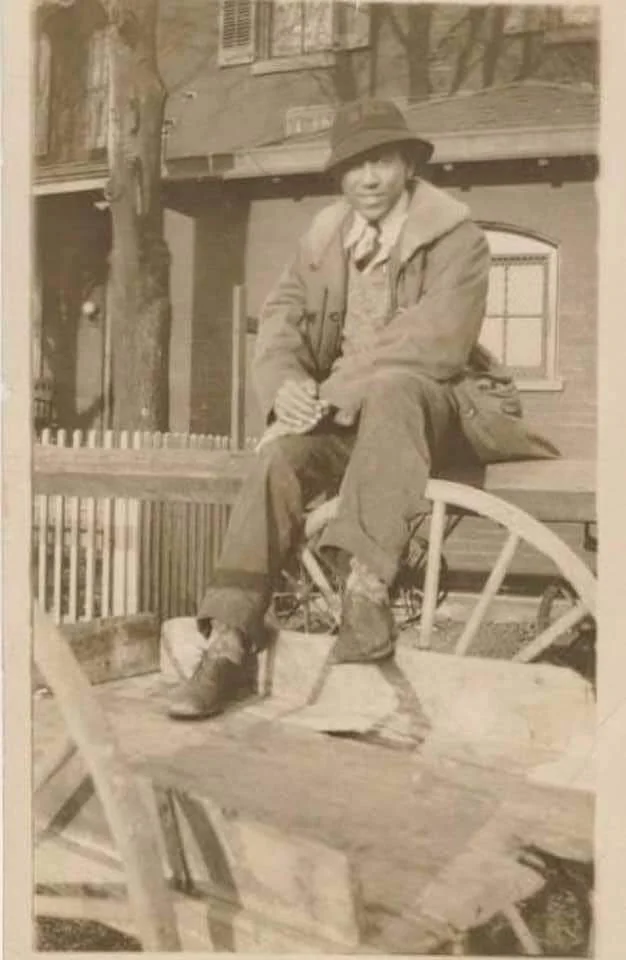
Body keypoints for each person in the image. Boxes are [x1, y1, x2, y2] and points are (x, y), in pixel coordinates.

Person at [167, 98, 558, 721]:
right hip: (346, 416)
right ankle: (228, 643)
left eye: (382, 161)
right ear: (339, 177)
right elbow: (280, 324)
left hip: (433, 411)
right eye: (354, 167)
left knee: (397, 385)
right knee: (279, 461)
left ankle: (367, 591)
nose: (369, 178)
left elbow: (433, 342)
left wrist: (327, 395)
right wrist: (287, 390)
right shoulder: (324, 242)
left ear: (408, 165)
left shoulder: (459, 239)